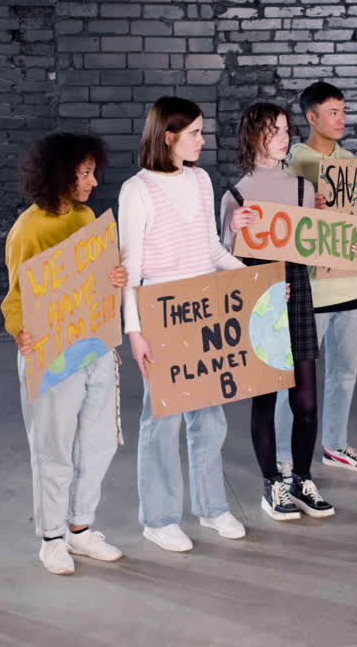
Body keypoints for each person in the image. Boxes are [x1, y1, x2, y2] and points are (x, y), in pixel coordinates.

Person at [220, 103, 357, 521]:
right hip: (261, 302)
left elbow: (324, 241)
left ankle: (301, 479)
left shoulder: (304, 188)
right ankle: (272, 485)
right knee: (264, 400)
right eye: (274, 131)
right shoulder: (236, 196)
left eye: (286, 129)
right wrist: (234, 230)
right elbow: (221, 264)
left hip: (299, 294)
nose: (284, 137)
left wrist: (352, 247)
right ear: (253, 138)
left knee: (305, 402)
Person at [119, 96, 248, 552]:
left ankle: (212, 509)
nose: (202, 139)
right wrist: (134, 333)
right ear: (168, 136)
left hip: (205, 312)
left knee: (210, 419)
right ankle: (159, 518)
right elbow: (130, 272)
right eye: (194, 132)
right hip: (161, 315)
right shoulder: (137, 190)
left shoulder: (201, 180)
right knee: (163, 420)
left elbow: (212, 250)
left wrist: (254, 280)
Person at [1, 133, 129, 575]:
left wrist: (115, 275)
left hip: (95, 346)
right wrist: (20, 331)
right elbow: (17, 296)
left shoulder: (87, 216)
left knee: (97, 444)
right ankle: (51, 538)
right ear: (61, 173)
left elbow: (98, 278)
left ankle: (80, 529)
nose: (94, 181)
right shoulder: (27, 229)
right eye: (86, 172)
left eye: (94, 171)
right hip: (52, 356)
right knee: (53, 449)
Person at [275, 81, 357, 476]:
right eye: (333, 112)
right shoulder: (293, 163)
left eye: (344, 111)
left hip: (350, 286)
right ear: (311, 117)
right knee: (296, 378)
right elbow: (280, 222)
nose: (341, 119)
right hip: (310, 291)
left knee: (344, 373)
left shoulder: (353, 163)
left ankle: (334, 445)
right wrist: (304, 203)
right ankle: (284, 455)